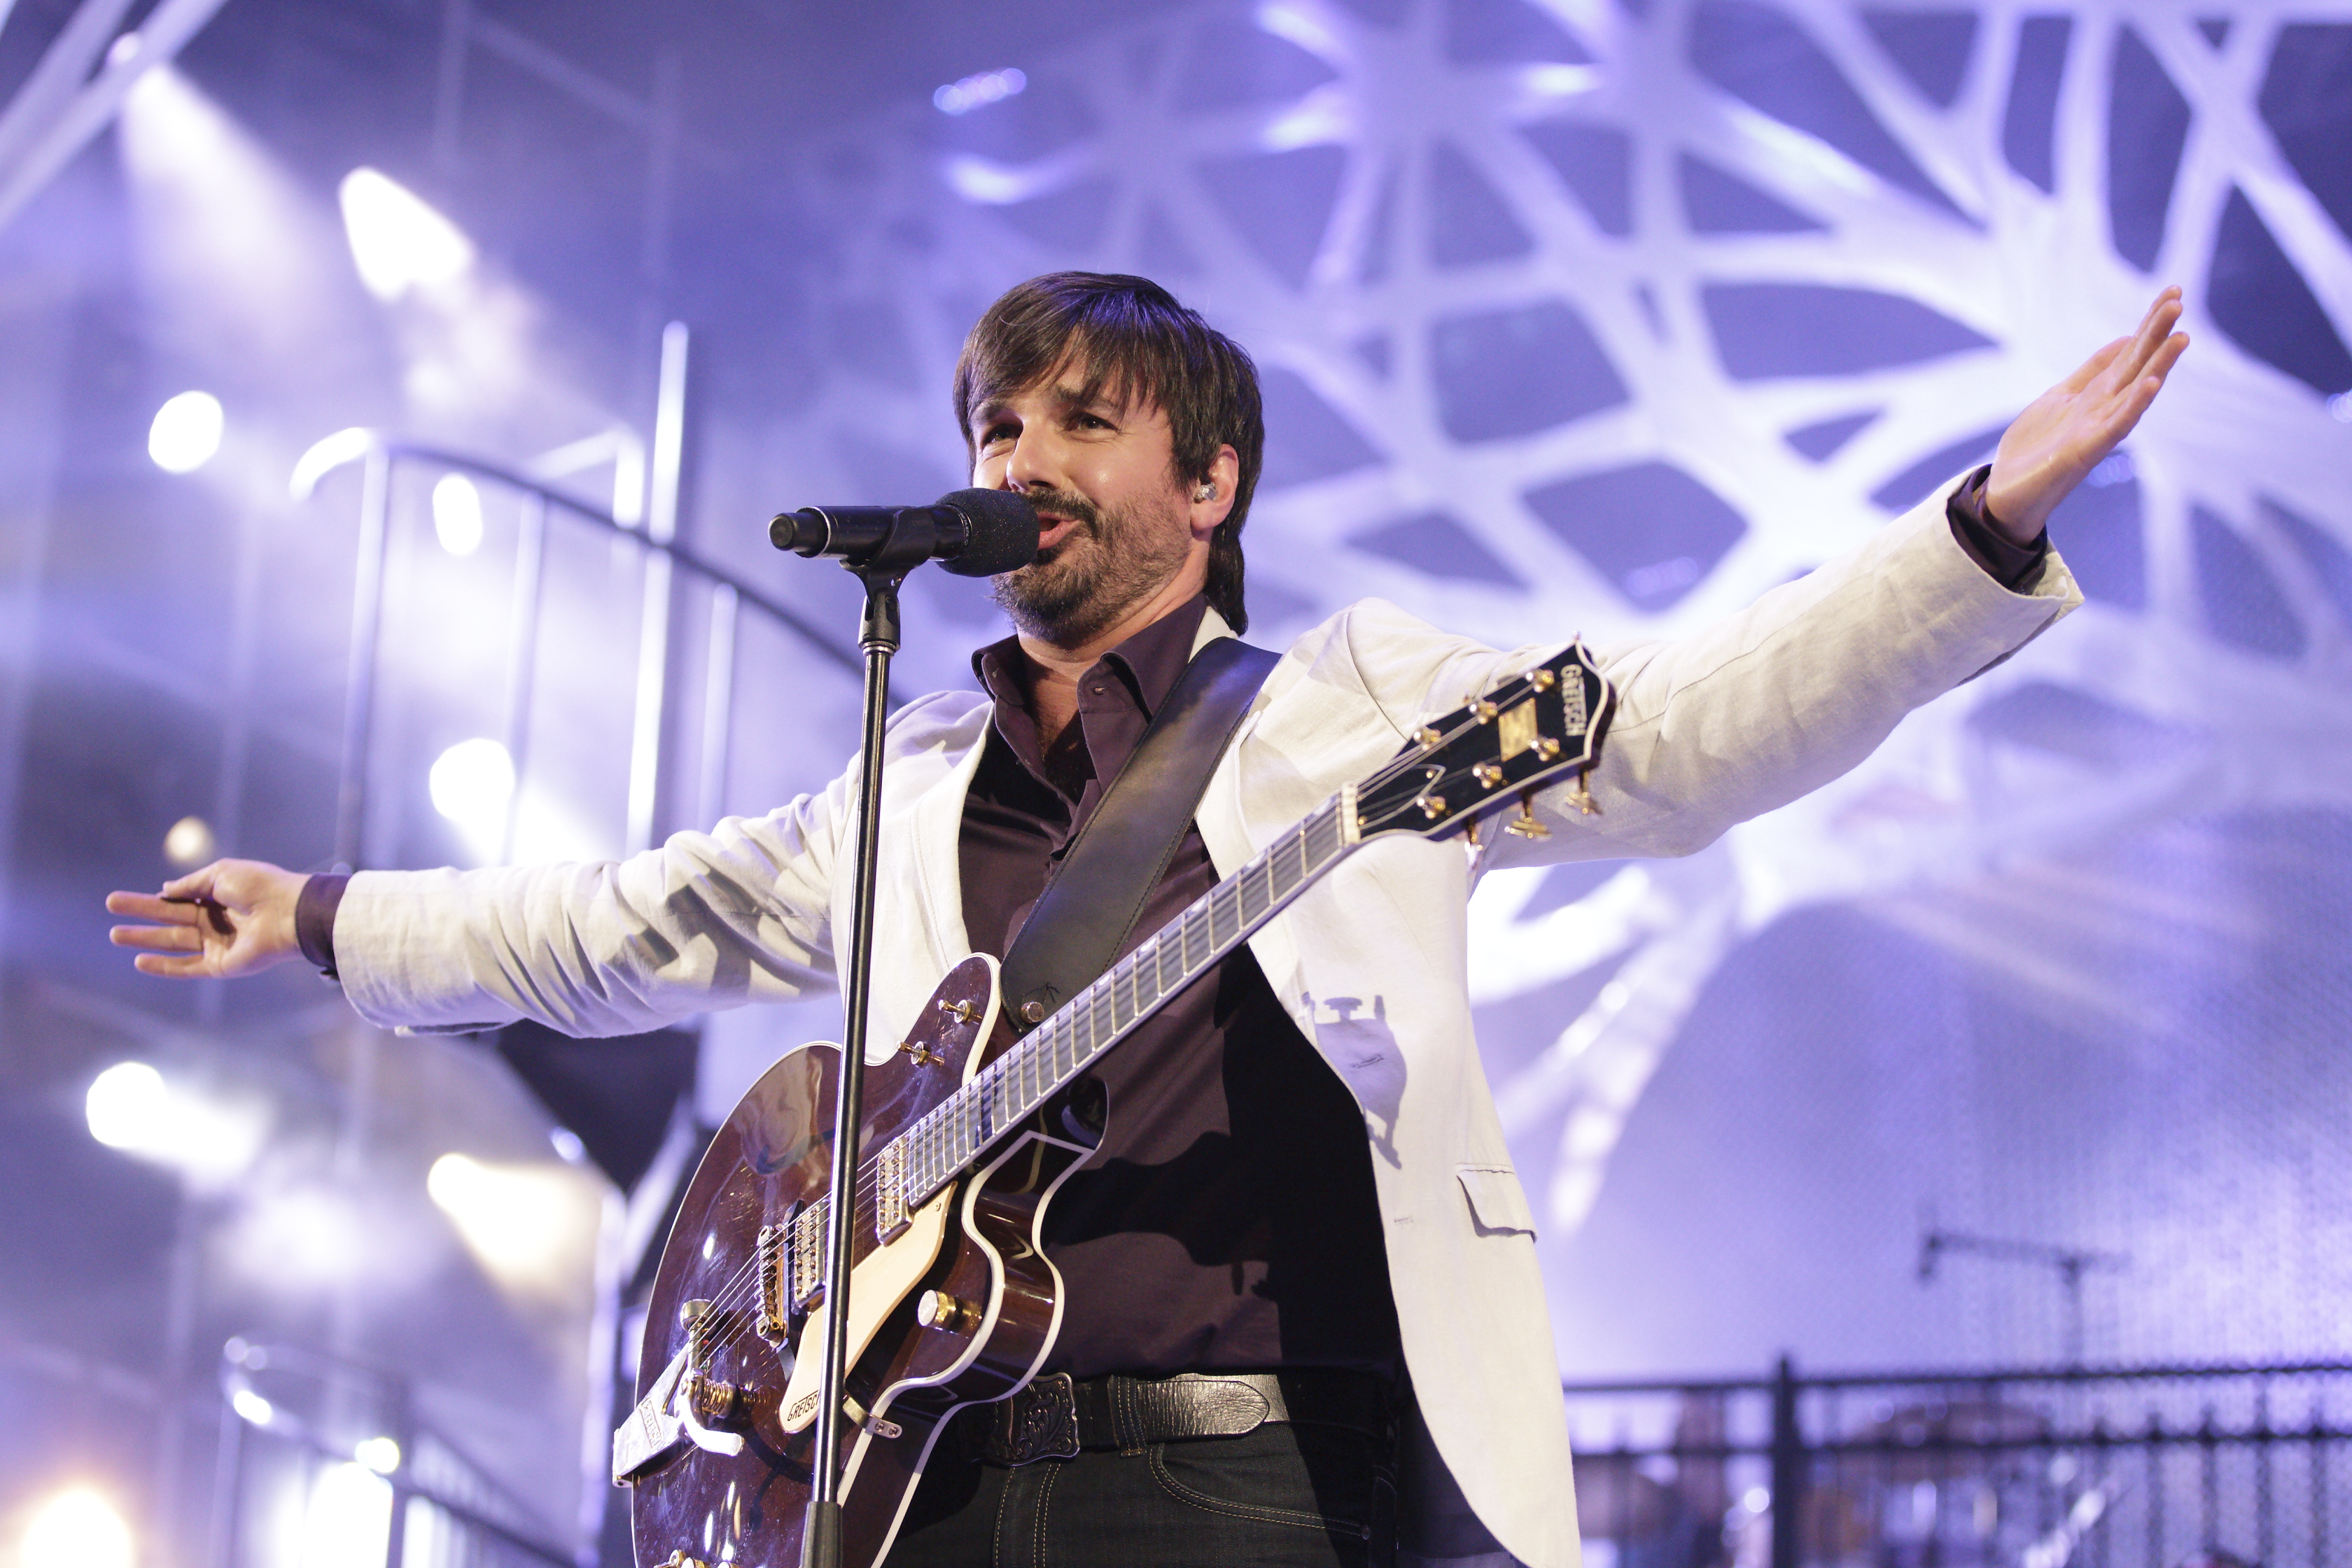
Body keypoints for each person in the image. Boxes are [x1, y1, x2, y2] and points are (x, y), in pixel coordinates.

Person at [108, 273, 2188, 1568]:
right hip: (916, 1479)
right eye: (998, 425)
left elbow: (1677, 726)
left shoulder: (1346, 711)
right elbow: (622, 924)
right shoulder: (909, 781)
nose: (1022, 454)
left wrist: (1972, 532)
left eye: (1081, 420)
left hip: (1246, 1478)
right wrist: (325, 915)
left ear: (1211, 484)